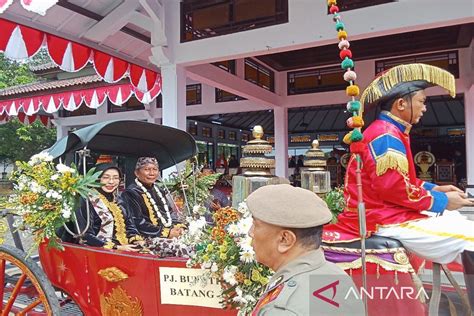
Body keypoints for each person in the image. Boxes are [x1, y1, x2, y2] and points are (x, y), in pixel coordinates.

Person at [322, 63, 474, 307]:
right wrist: (443, 202)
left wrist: (437, 190)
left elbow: (403, 181)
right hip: (381, 220)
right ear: (401, 104)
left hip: (389, 214)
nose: (425, 108)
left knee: (462, 224)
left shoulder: (390, 131)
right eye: (422, 101)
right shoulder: (385, 135)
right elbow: (393, 189)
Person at [247, 184, 363, 315]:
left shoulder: (283, 310)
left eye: (255, 225)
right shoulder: (336, 274)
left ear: (285, 240)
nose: (250, 232)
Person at [120, 157, 190, 257]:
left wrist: (179, 228)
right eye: (147, 169)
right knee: (183, 248)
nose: (151, 173)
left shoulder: (158, 190)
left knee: (197, 241)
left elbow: (169, 214)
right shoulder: (131, 193)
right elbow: (138, 222)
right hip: (146, 238)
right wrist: (167, 233)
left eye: (155, 169)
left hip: (167, 234)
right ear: (137, 173)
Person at [75, 163, 143, 251]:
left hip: (126, 247)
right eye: (106, 177)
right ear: (96, 178)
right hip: (98, 251)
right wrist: (116, 247)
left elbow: (130, 226)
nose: (111, 182)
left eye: (115, 178)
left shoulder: (120, 199)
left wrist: (136, 240)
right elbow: (85, 235)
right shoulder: (86, 200)